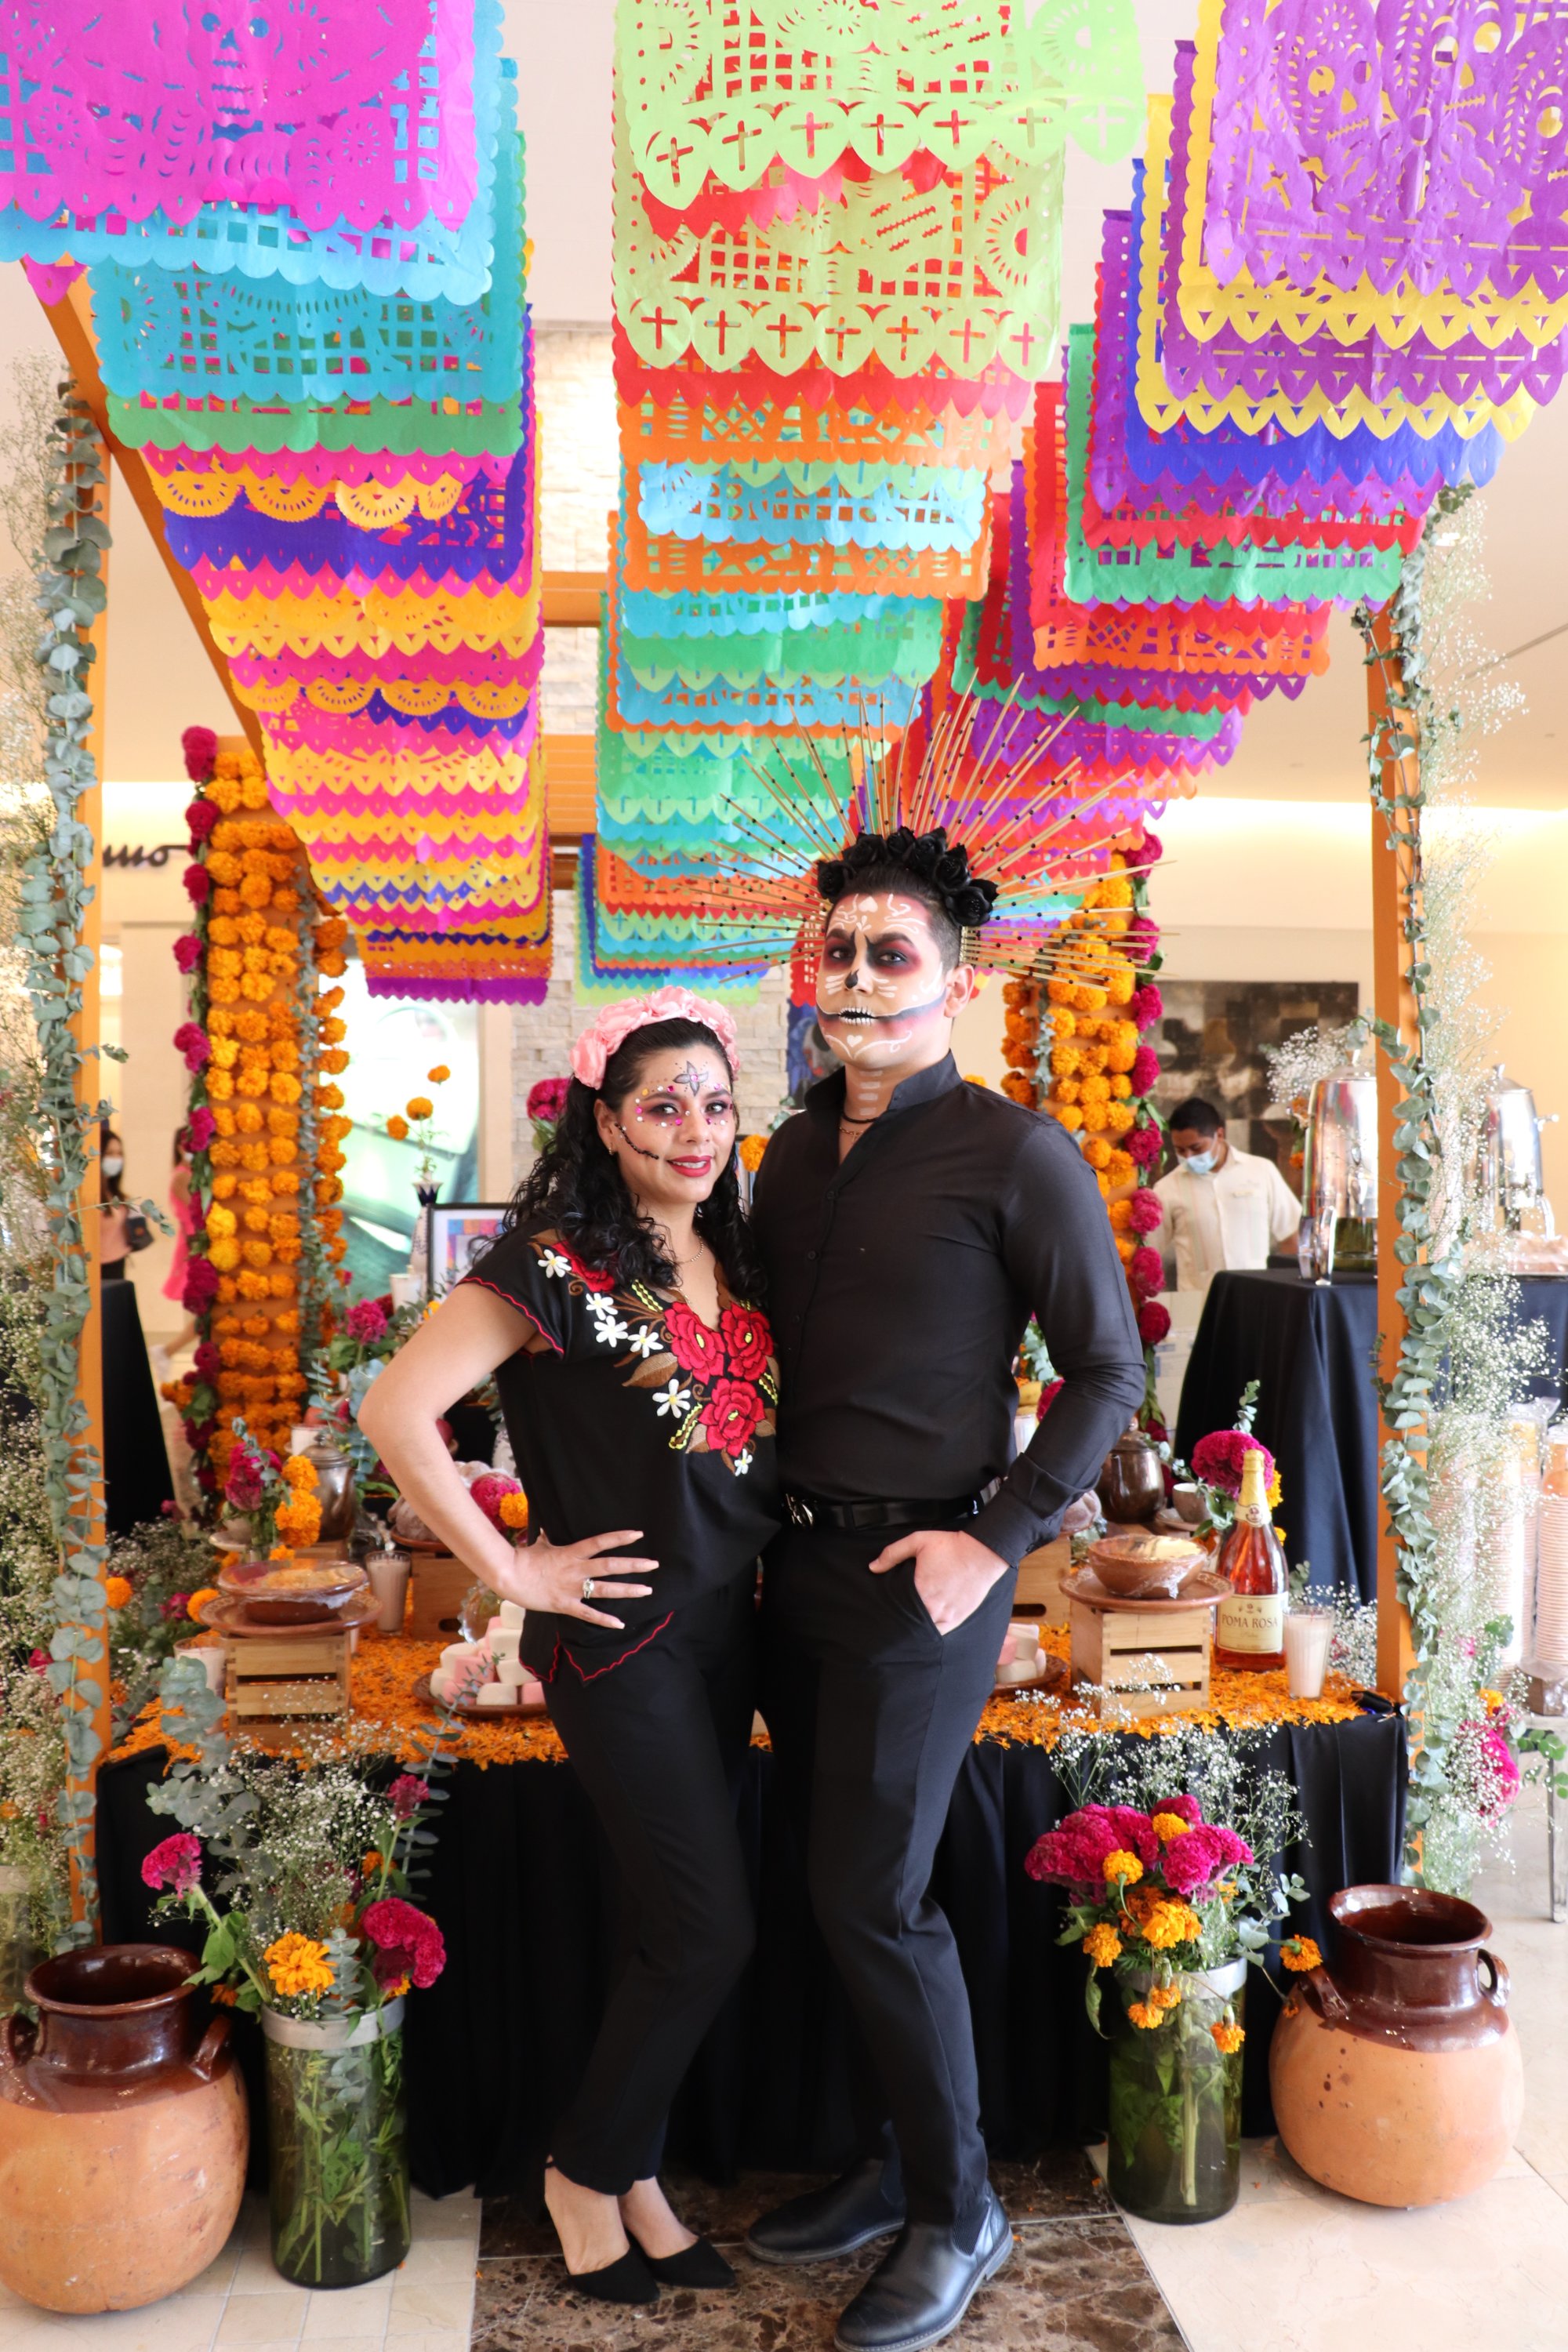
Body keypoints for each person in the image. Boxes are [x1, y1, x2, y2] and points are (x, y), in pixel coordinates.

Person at [746, 827, 1146, 2352]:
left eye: (891, 952)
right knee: (834, 1887)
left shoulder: (1016, 1152)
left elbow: (1106, 1368)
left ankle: (958, 2207)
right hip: (792, 1565)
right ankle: (894, 2161)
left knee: (870, 1893)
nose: (856, 976)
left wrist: (999, 1536)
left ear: (956, 983)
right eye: (837, 951)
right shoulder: (788, 1152)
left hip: (931, 1575)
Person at [358, 989, 782, 2308]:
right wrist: (511, 1570)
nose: (696, 1129)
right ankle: (583, 2172)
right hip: (618, 1642)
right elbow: (396, 1410)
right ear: (606, 1122)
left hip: (727, 1635)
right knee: (708, 1930)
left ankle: (634, 2171)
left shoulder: (738, 1259)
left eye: (717, 1106)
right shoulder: (549, 1264)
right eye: (664, 1105)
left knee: (662, 1923)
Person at [1153, 1095, 1301, 1293]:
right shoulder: (1167, 1188)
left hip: (1257, 1295)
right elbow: (1150, 1250)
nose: (1189, 1157)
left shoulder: (1261, 1171)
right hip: (1198, 1301)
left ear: (1220, 1134)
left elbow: (1292, 1233)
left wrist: (1288, 1289)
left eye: (1196, 1148)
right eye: (1180, 1150)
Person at [162, 1132, 202, 1345]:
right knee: (205, 1309)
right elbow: (197, 1211)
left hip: (195, 1240)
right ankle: (167, 1351)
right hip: (193, 1242)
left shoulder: (192, 1173)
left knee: (206, 1310)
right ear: (179, 1146)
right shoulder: (182, 1176)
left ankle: (167, 1351)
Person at [97, 1126, 131, 1282]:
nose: (116, 1159)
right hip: (100, 1269)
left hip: (118, 1263)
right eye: (110, 1153)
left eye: (119, 1154)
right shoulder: (92, 1194)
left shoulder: (113, 1192)